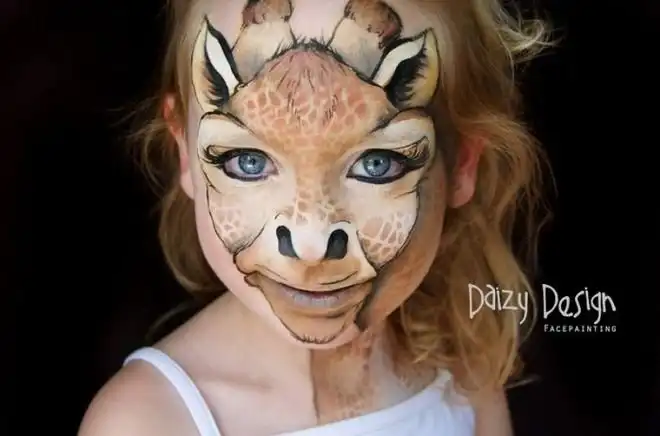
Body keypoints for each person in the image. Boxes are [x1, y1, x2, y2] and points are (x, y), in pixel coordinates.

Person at [79, 0, 552, 434]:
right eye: (248, 162)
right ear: (186, 152)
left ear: (463, 164)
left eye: (376, 164)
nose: (310, 243)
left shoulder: (465, 375)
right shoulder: (147, 422)